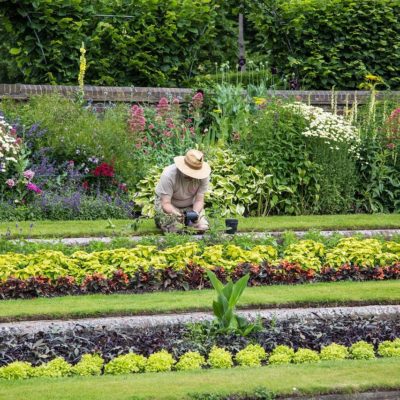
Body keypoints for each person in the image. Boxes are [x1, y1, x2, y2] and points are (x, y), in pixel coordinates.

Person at [154, 149, 211, 233]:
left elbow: (199, 200)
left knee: (203, 227)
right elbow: (165, 204)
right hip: (169, 207)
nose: (192, 175)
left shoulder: (204, 176)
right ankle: (167, 223)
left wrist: (194, 214)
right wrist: (177, 214)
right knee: (176, 229)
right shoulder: (169, 175)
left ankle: (189, 223)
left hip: (190, 207)